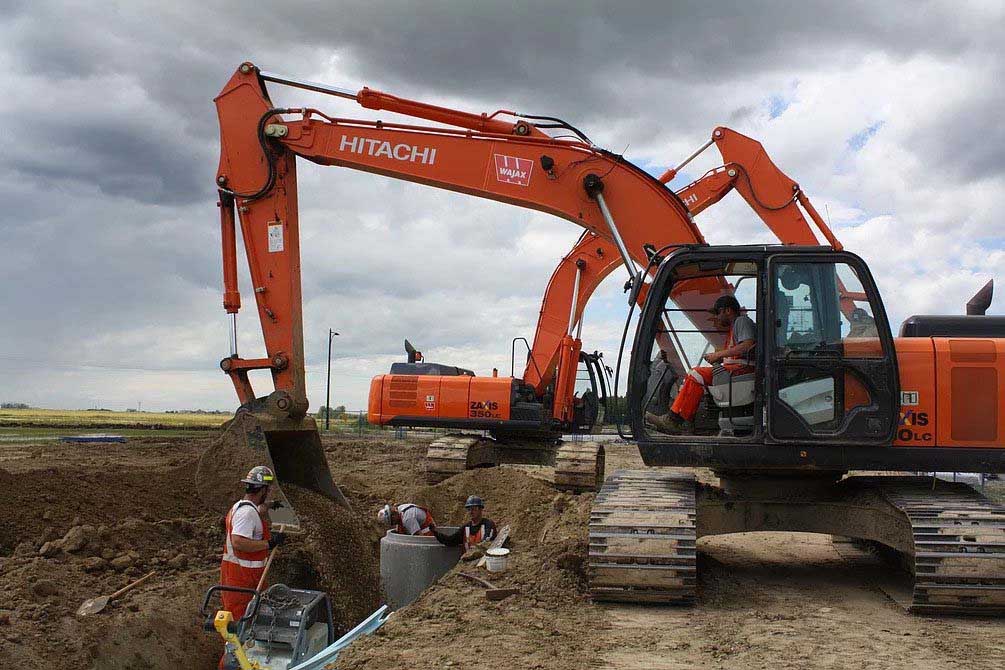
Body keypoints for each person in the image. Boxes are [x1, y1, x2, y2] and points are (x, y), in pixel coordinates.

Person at [646, 294, 755, 434]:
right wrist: (719, 358)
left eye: (718, 312)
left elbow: (748, 345)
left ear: (728, 310)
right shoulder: (734, 327)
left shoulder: (741, 322)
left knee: (696, 374)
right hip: (735, 370)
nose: (717, 317)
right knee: (694, 377)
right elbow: (737, 352)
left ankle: (673, 421)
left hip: (742, 371)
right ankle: (685, 421)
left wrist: (718, 355)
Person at [220, 466, 286, 621]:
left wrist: (270, 505)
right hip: (242, 580)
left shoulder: (242, 507)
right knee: (240, 621)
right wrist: (270, 543)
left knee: (248, 618)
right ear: (263, 490)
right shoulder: (247, 513)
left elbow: (257, 510)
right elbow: (238, 542)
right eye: (267, 490)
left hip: (239, 576)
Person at [433, 495, 497, 553]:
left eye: (474, 509)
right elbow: (451, 541)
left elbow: (487, 543)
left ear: (481, 509)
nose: (471, 512)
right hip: (467, 563)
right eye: (469, 509)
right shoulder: (466, 527)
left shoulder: (488, 524)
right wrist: (435, 533)